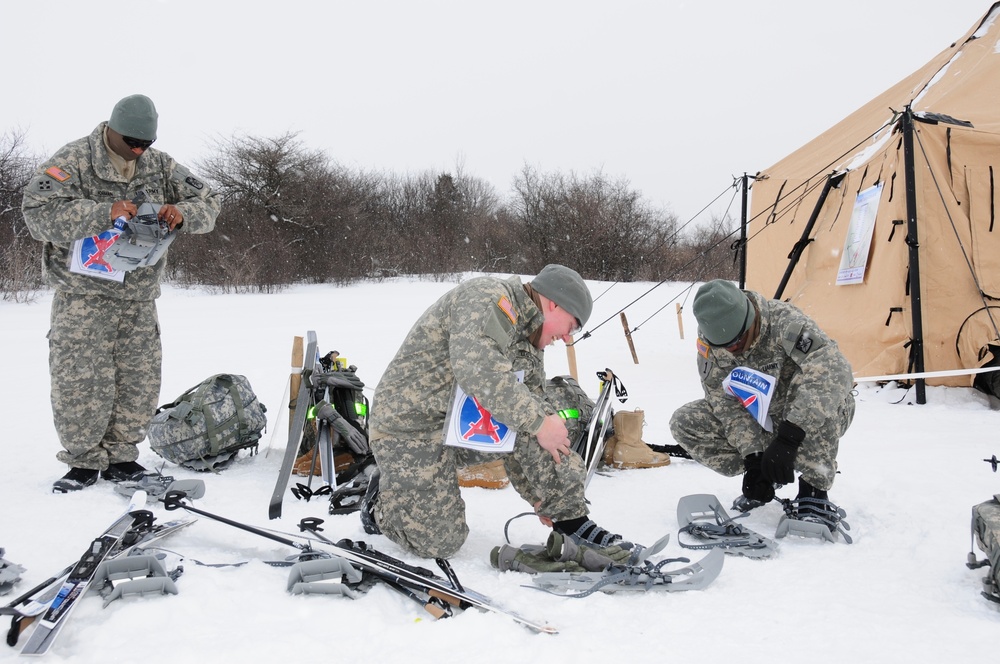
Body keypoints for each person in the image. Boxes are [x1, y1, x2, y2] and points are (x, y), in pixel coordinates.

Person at [363, 264, 635, 559]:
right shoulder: (486, 296)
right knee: (439, 543)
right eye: (573, 326)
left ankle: (572, 523)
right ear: (554, 304)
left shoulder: (530, 342)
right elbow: (478, 371)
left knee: (545, 424)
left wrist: (545, 500)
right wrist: (538, 422)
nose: (568, 338)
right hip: (407, 429)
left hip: (456, 426)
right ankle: (384, 501)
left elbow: (530, 426)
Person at [22, 94, 221, 493]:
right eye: (131, 141)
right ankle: (82, 461)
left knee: (138, 379)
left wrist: (183, 214)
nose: (138, 150)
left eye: (144, 143)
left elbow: (209, 201)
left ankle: (122, 457)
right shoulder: (75, 160)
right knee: (80, 379)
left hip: (138, 296)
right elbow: (37, 214)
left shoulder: (159, 164)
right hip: (83, 296)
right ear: (111, 128)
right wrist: (103, 212)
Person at [669, 279, 855, 517]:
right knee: (686, 421)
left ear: (750, 320)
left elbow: (835, 370)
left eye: (737, 341)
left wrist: (789, 438)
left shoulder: (786, 324)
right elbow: (725, 403)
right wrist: (753, 458)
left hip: (805, 418)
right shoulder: (711, 341)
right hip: (762, 416)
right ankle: (769, 471)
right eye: (724, 345)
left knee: (817, 386)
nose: (731, 349)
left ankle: (814, 489)